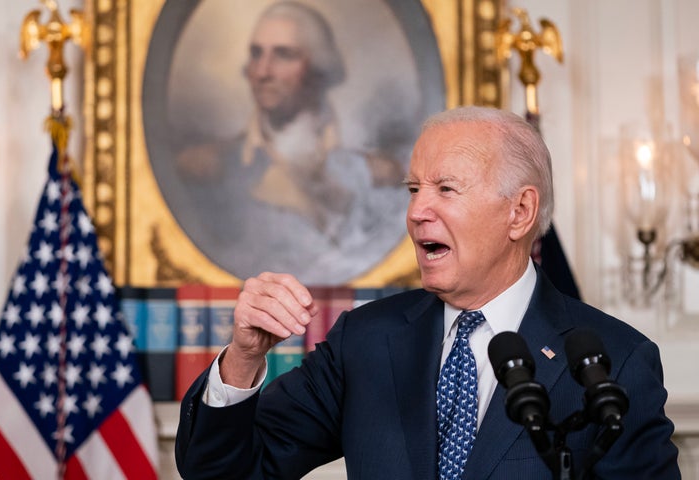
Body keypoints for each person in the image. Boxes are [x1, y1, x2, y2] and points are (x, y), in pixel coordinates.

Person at [175, 106, 680, 479]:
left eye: (446, 189)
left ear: (520, 212)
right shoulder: (365, 341)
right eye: (414, 189)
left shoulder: (615, 362)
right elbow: (222, 475)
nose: (417, 212)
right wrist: (242, 359)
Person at [173, 1, 409, 285]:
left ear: (318, 69)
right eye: (256, 54)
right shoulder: (207, 168)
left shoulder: (376, 175)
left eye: (283, 55)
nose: (262, 71)